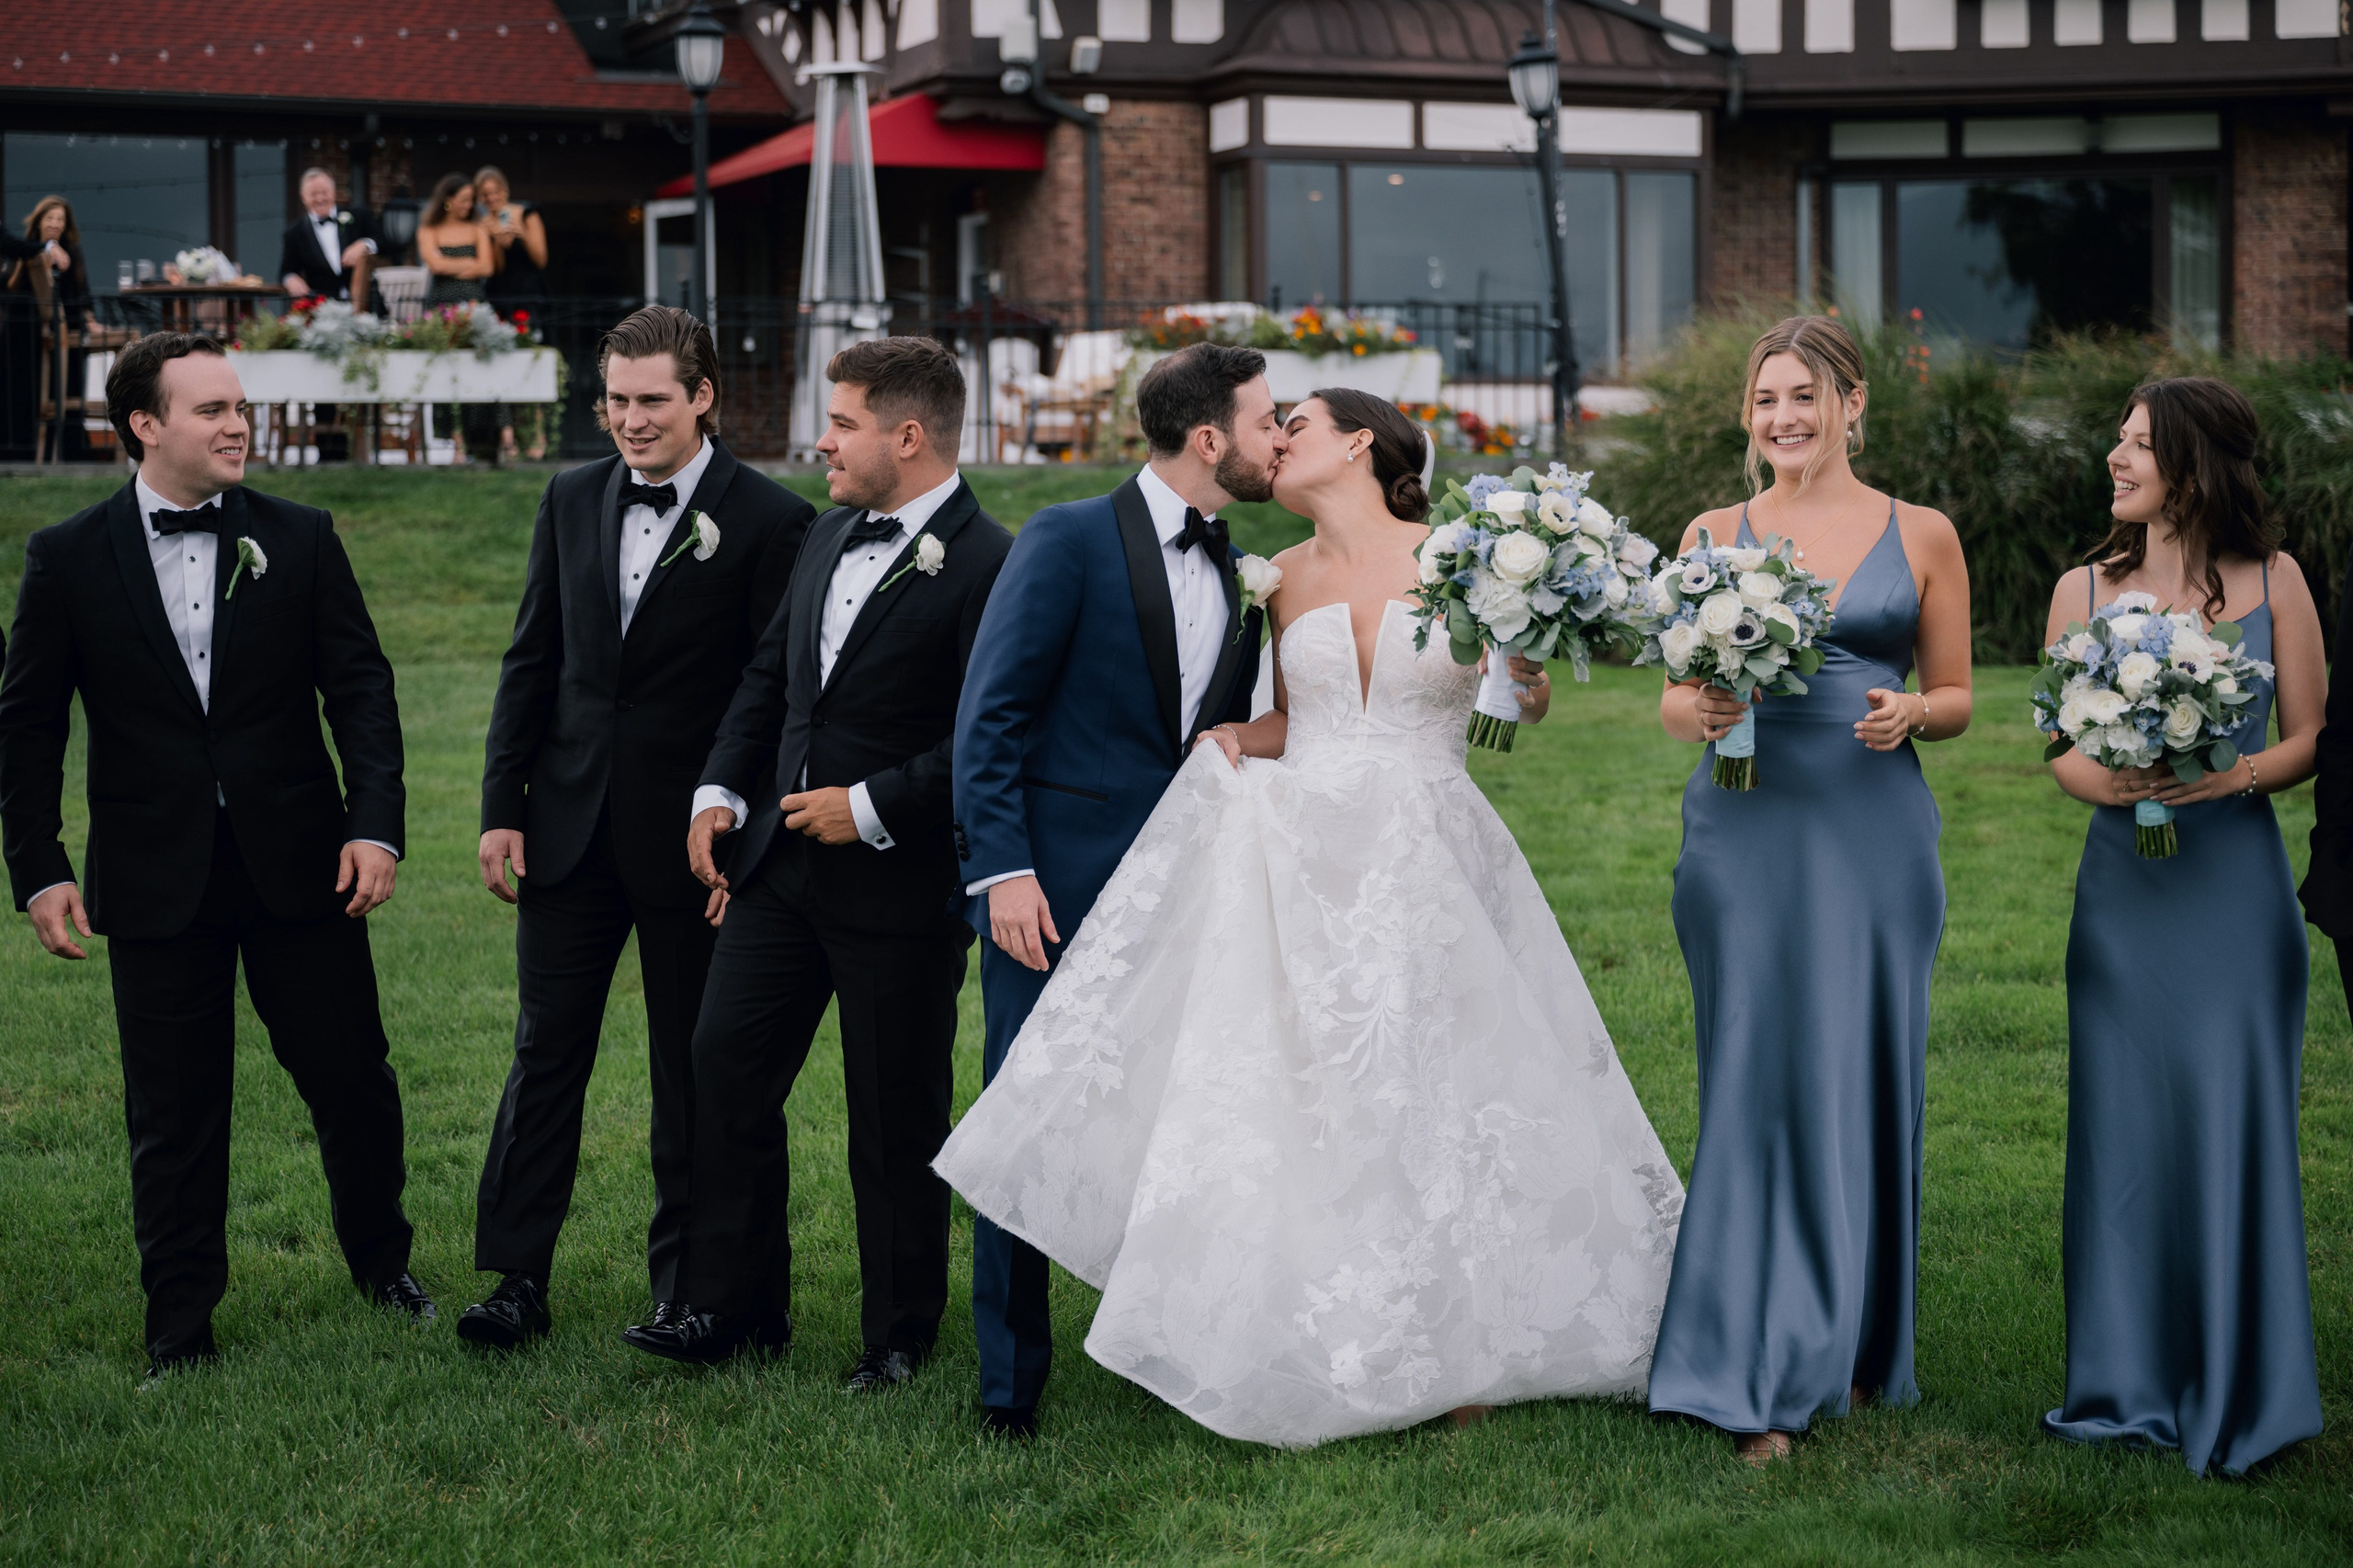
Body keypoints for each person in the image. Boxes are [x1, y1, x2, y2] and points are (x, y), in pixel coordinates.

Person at [934, 390, 1684, 1448]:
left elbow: (1515, 702)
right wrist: (1235, 739)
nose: (1276, 440)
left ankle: (1470, 1337)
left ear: (1358, 443)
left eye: (1296, 425)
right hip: (1312, 858)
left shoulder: (1465, 553)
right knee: (1325, 1092)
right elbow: (1292, 715)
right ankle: (1340, 1319)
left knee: (1446, 1086)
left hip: (1428, 845)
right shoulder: (1276, 576)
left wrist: (1520, 676)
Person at [0, 333, 427, 1390]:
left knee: (352, 1081)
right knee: (174, 1110)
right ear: (144, 425)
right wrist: (41, 864)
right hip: (152, 878)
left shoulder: (303, 536)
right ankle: (178, 1329)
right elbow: (28, 726)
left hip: (302, 865)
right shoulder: (65, 556)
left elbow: (362, 693)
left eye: (242, 405)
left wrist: (373, 826)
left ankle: (386, 1268)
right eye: (212, 409)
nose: (240, 423)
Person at [624, 336, 1013, 1387]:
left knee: (893, 1112)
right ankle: (737, 1307)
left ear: (909, 434)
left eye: (840, 423)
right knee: (721, 1070)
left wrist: (876, 805)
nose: (821, 440)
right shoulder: (824, 531)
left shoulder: (990, 562)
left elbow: (991, 736)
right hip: (775, 875)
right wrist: (718, 791)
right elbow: (768, 677)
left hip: (897, 885)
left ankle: (898, 1334)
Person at [1647, 314, 1973, 1463]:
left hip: (1872, 827)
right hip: (1741, 826)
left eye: (1803, 396)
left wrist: (1909, 711)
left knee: (1861, 1068)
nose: (1781, 417)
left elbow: (1958, 694)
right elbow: (1676, 700)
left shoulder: (1921, 532)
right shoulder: (1708, 529)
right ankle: (1756, 1359)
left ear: (1851, 402)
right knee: (1755, 1071)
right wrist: (1706, 708)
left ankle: (1860, 1336)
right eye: (1765, 399)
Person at [937, 342, 1278, 1439]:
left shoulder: (1240, 567)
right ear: (1210, 436)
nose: (1279, 439)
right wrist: (1002, 871)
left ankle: (1165, 1344)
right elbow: (987, 716)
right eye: (1268, 421)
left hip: (1184, 893)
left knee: (1176, 1127)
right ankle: (1008, 1380)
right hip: (1050, 891)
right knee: (1024, 1120)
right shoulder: (1068, 536)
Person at [459, 306, 815, 1351]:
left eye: (650, 398)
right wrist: (499, 806)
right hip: (564, 828)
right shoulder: (569, 496)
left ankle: (694, 1290)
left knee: (694, 1067)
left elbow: (772, 696)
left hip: (692, 844)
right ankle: (516, 1277)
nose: (628, 418)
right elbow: (532, 661)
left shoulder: (768, 518)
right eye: (614, 398)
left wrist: (739, 837)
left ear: (702, 396)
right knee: (544, 1054)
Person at [2042, 378, 2325, 1475]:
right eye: (2114, 439)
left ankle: (2246, 1379)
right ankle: (2123, 1379)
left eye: (2137, 445)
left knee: (2230, 1121)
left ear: (2193, 466)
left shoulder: (2275, 580)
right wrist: (2104, 784)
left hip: (2233, 895)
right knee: (2120, 1136)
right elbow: (2060, 744)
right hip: (2121, 898)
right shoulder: (2083, 587)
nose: (2114, 459)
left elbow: (2309, 734)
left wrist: (2232, 775)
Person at [475, 166, 551, 462]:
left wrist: (520, 234)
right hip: (500, 297)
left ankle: (537, 433)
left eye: (496, 192)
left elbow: (541, 259)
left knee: (532, 359)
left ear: (505, 191)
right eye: (486, 194)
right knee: (503, 364)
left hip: (529, 296)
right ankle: (508, 437)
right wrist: (497, 243)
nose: (492, 198)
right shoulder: (484, 223)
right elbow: (495, 269)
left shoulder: (528, 213)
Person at [277, 167, 379, 303]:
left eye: (324, 192)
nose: (320, 199)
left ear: (334, 192)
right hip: (324, 309)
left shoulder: (359, 216)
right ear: (303, 197)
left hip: (367, 304)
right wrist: (291, 279)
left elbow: (384, 240)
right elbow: (286, 271)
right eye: (313, 194)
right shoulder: (294, 233)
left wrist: (364, 244)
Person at [7, 197, 95, 328]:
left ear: (65, 225)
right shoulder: (26, 248)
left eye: (60, 220)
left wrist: (90, 320)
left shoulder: (71, 251)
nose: (54, 224)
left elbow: (82, 288)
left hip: (69, 323)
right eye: (49, 218)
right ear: (39, 222)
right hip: (29, 325)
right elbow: (12, 287)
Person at [417, 174, 493, 307]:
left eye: (471, 200)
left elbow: (486, 267)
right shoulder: (429, 229)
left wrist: (448, 267)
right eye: (464, 200)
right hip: (441, 306)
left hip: (474, 305)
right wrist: (470, 262)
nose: (469, 205)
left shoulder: (478, 228)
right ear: (448, 199)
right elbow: (436, 266)